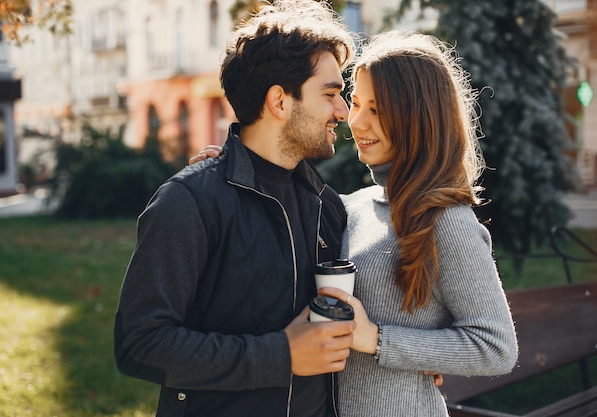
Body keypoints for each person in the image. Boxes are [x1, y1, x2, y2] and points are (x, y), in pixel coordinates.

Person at [191, 30, 518, 417]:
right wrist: (235, 171)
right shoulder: (354, 206)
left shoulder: (446, 219)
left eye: (377, 110)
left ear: (419, 117)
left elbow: (496, 346)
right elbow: (287, 211)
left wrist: (377, 339)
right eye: (357, 103)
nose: (356, 121)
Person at [113, 1, 358, 416]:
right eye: (331, 94)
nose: (343, 111)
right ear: (279, 102)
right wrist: (280, 355)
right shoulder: (189, 202)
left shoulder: (326, 206)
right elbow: (141, 343)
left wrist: (418, 360)